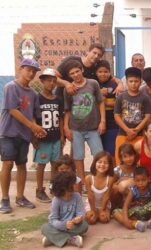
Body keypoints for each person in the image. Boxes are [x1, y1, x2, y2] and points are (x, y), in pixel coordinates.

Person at [0, 58, 46, 214]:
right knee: (7, 164)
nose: (31, 73)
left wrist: (34, 134)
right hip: (8, 133)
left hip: (24, 135)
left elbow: (33, 115)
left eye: (34, 71)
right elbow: (13, 111)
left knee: (22, 165)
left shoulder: (33, 94)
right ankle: (5, 199)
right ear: (21, 69)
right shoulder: (10, 87)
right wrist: (33, 126)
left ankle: (20, 197)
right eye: (28, 70)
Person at [63, 60, 105, 189]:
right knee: (78, 156)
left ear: (82, 70)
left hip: (93, 128)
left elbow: (100, 102)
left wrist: (103, 121)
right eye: (72, 73)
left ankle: (97, 179)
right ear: (69, 76)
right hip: (76, 128)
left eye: (77, 71)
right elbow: (68, 110)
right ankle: (82, 182)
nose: (75, 75)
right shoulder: (68, 89)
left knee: (99, 154)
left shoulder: (93, 84)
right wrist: (66, 127)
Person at [34, 68, 64, 203]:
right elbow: (33, 118)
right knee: (41, 164)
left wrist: (62, 136)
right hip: (42, 138)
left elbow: (61, 119)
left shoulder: (58, 100)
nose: (51, 84)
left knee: (55, 164)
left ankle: (53, 187)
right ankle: (39, 190)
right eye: (48, 81)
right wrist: (34, 136)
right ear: (42, 81)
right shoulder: (37, 98)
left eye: (53, 81)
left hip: (56, 137)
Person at [114, 67, 151, 164]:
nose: (133, 84)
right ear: (126, 82)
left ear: (140, 82)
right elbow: (117, 116)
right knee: (121, 161)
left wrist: (136, 130)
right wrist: (128, 130)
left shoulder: (145, 98)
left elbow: (148, 116)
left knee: (139, 161)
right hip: (123, 134)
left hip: (139, 135)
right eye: (131, 81)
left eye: (136, 81)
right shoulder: (121, 97)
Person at [55, 43, 123, 98]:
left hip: (79, 105)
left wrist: (120, 85)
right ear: (88, 52)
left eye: (99, 55)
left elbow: (113, 79)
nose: (96, 56)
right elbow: (53, 77)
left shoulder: (97, 68)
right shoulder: (71, 60)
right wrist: (66, 84)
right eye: (94, 53)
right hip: (61, 98)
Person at [41, 172, 88, 248]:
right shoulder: (56, 200)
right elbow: (53, 219)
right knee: (44, 228)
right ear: (64, 188)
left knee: (84, 225)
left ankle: (53, 238)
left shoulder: (77, 196)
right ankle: (71, 239)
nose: (75, 185)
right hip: (59, 226)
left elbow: (80, 212)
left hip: (73, 226)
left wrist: (79, 218)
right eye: (72, 184)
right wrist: (63, 225)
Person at [113, 167, 151, 232]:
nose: (141, 183)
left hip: (148, 210)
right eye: (138, 181)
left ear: (148, 179)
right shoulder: (133, 190)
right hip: (136, 212)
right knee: (115, 212)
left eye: (143, 180)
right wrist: (125, 220)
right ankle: (135, 224)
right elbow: (126, 206)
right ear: (134, 181)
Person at [95, 60, 119, 158]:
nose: (103, 74)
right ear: (96, 73)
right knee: (99, 151)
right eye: (100, 72)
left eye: (105, 71)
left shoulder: (114, 84)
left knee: (111, 150)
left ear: (110, 72)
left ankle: (112, 172)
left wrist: (105, 102)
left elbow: (119, 104)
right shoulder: (93, 84)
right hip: (96, 122)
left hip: (113, 123)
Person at [85, 151, 114, 225]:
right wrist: (93, 210)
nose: (102, 165)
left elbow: (106, 196)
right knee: (91, 220)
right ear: (95, 163)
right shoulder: (88, 178)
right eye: (99, 162)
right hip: (91, 204)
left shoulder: (110, 179)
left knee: (104, 219)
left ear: (109, 165)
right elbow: (90, 196)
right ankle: (95, 213)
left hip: (104, 205)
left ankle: (101, 213)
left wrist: (102, 210)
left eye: (106, 163)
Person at [111, 143, 139, 208]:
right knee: (115, 188)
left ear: (134, 155)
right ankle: (118, 207)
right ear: (121, 158)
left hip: (135, 196)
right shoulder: (117, 170)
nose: (128, 159)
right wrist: (119, 182)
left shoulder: (138, 169)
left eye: (130, 155)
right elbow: (110, 185)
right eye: (125, 156)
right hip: (121, 198)